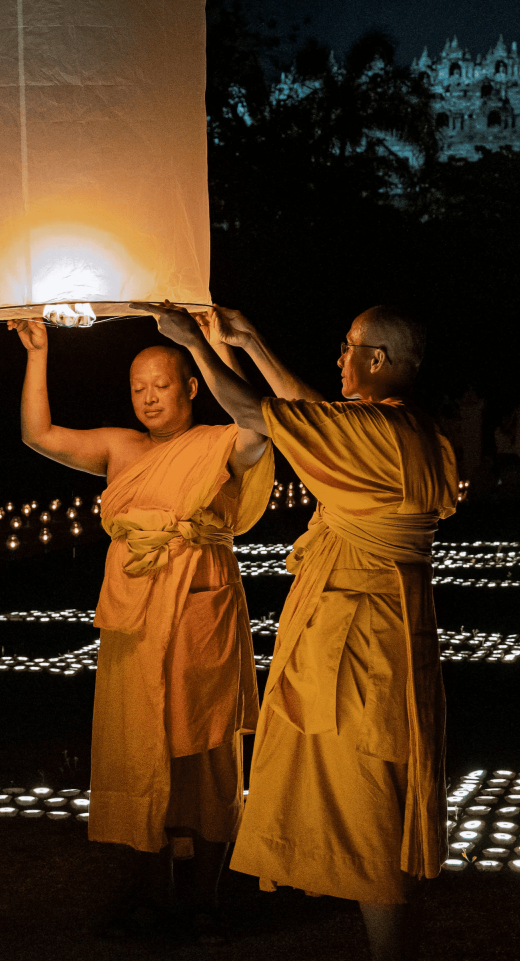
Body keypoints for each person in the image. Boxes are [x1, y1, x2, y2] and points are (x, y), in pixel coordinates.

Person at [135, 301, 457, 961]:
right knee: (378, 800)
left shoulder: (376, 431)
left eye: (348, 347)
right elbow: (319, 421)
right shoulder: (417, 431)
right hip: (393, 636)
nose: (338, 359)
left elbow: (261, 417)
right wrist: (251, 341)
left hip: (361, 646)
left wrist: (196, 344)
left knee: (371, 807)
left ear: (377, 360)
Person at [11, 314, 273, 937]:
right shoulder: (119, 446)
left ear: (189, 386)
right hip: (134, 610)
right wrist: (38, 355)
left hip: (197, 604)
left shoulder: (220, 442)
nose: (149, 397)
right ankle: (153, 892)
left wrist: (209, 348)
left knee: (206, 750)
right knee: (139, 744)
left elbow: (258, 422)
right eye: (138, 388)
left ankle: (205, 896)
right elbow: (38, 434)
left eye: (161, 384)